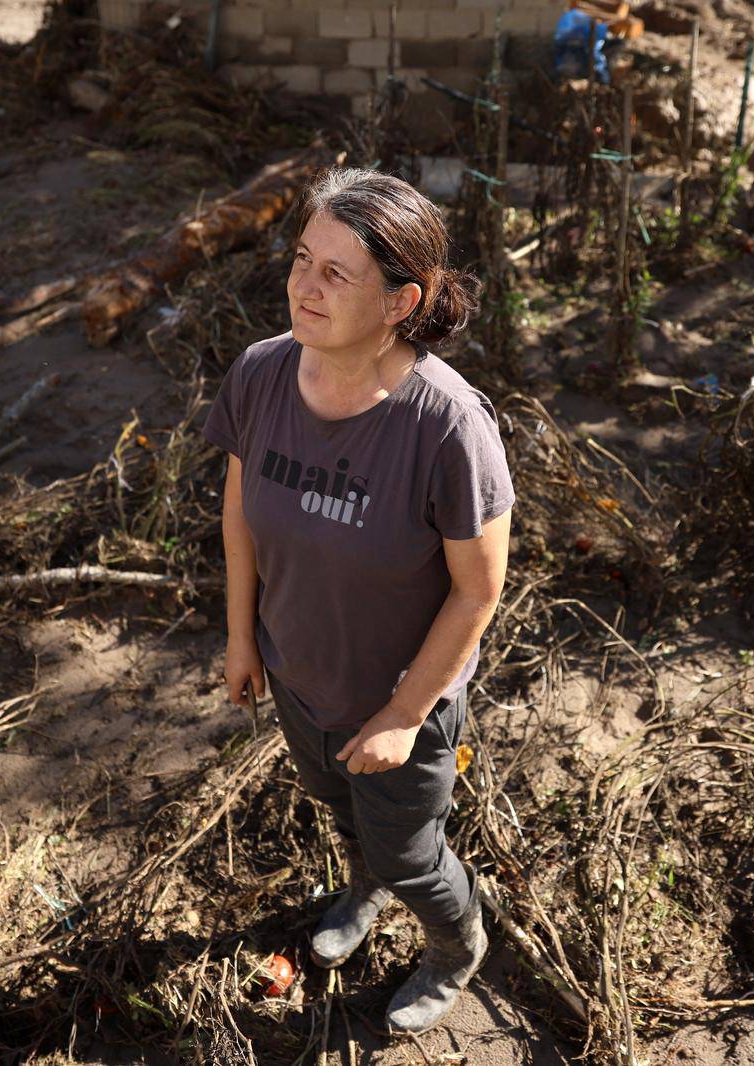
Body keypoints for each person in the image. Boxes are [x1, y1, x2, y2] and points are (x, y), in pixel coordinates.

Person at [201, 167, 515, 1036]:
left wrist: (406, 714)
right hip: (300, 681)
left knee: (414, 856)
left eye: (336, 273)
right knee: (339, 809)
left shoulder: (448, 426)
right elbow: (238, 519)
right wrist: (242, 640)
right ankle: (363, 884)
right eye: (303, 258)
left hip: (401, 707)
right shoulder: (262, 375)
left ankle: (456, 948)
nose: (304, 285)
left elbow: (478, 589)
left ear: (399, 300)